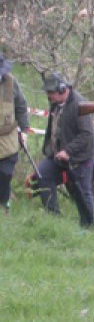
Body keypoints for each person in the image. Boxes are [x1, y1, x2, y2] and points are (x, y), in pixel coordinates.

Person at [37, 72, 94, 227]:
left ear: (63, 89)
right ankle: (53, 217)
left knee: (82, 192)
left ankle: (88, 226)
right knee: (42, 175)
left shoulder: (79, 105)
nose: (49, 96)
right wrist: (50, 149)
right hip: (57, 154)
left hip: (80, 157)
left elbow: (86, 135)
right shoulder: (55, 104)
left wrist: (68, 151)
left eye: (51, 92)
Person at [0, 53, 29, 215]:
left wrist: (24, 130)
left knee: (5, 173)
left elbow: (21, 107)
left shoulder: (11, 82)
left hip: (8, 138)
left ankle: (4, 205)